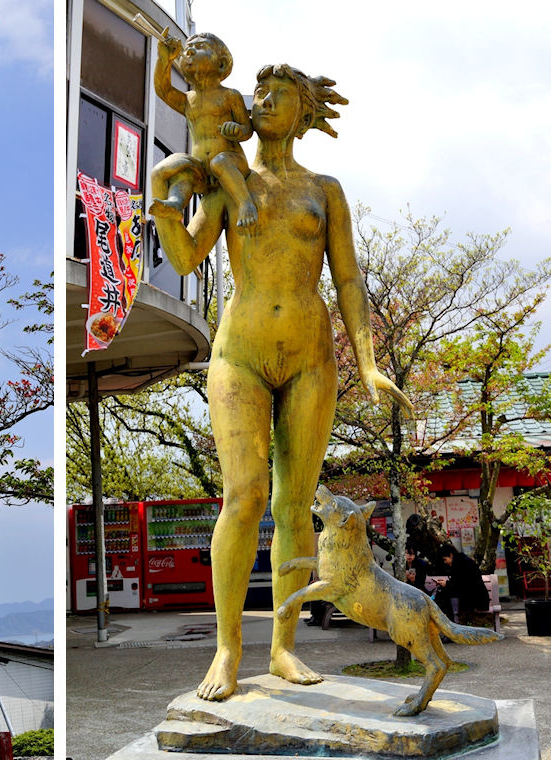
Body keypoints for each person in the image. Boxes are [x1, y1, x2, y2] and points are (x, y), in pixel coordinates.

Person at [151, 62, 413, 702]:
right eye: (260, 92)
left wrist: (369, 360)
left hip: (310, 356)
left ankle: (284, 647)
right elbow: (186, 257)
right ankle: (227, 647)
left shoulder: (325, 190)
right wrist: (160, 192)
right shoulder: (225, 178)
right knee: (243, 496)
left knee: (295, 505)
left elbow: (348, 278)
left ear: (302, 113)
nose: (265, 101)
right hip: (238, 352)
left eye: (281, 95)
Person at [149, 32, 256, 228]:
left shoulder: (230, 96)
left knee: (220, 161)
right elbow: (163, 90)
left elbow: (248, 129)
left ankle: (246, 203)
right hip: (202, 171)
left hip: (232, 162)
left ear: (221, 64)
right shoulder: (188, 100)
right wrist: (164, 59)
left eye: (200, 47)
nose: (189, 51)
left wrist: (237, 130)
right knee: (184, 171)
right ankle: (175, 203)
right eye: (188, 48)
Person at [434, 544, 489, 623]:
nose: (445, 562)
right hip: (472, 596)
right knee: (445, 594)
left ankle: (451, 624)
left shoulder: (460, 564)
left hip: (474, 598)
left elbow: (462, 585)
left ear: (451, 555)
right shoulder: (461, 561)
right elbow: (460, 583)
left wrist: (447, 584)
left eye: (445, 559)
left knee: (445, 595)